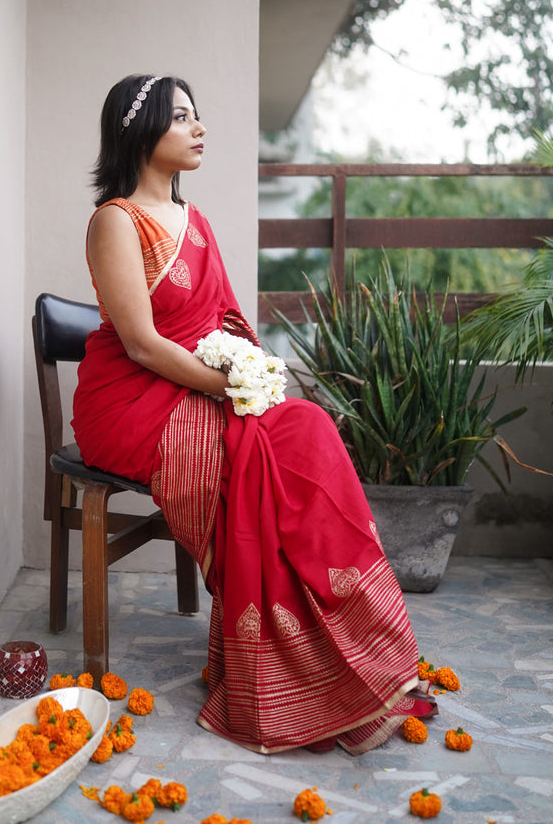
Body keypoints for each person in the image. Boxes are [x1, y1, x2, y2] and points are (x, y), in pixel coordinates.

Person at [72, 73, 435, 755]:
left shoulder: (197, 222)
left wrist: (252, 372)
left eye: (196, 115)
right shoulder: (115, 221)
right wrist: (225, 385)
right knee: (257, 453)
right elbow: (144, 344)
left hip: (203, 386)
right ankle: (294, 672)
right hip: (132, 402)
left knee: (305, 429)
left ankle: (350, 649)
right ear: (141, 128)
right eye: (181, 117)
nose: (199, 127)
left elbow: (226, 319)